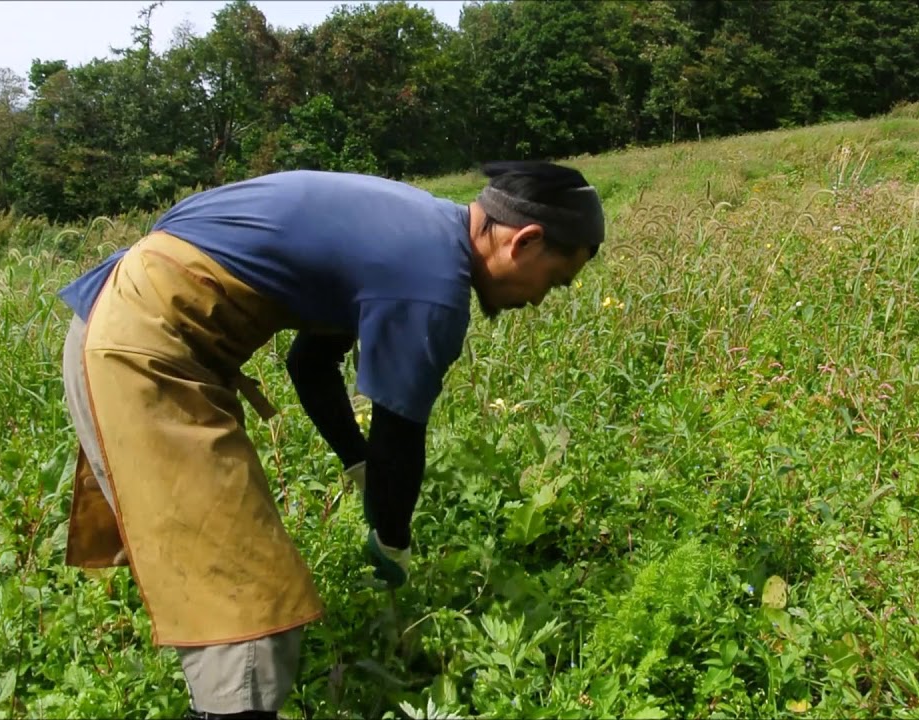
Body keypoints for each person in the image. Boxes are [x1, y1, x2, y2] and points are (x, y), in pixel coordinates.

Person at [56, 160, 604, 719]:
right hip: (143, 350)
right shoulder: (435, 283)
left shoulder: (415, 228)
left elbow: (311, 364)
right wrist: (393, 536)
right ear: (526, 240)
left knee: (224, 578)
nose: (541, 301)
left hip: (127, 321)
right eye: (556, 281)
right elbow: (400, 431)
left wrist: (357, 463)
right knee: (246, 607)